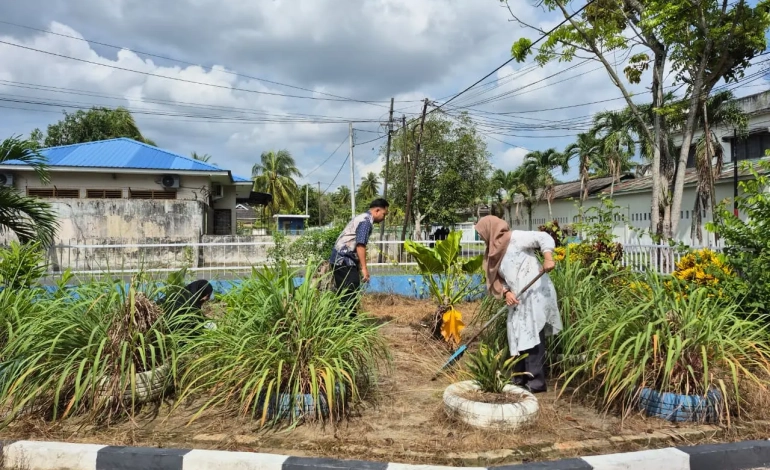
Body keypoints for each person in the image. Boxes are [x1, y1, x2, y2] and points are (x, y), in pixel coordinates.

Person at [474, 215, 562, 394]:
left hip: (535, 292)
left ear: (491, 230)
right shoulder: (492, 253)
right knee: (515, 332)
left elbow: (544, 237)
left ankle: (536, 382)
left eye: (482, 233)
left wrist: (548, 257)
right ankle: (519, 378)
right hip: (518, 296)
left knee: (532, 332)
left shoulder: (516, 238)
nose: (481, 237)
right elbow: (498, 279)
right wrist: (506, 293)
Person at [329, 198, 389, 316]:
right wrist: (364, 268)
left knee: (346, 293)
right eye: (384, 214)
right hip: (344, 260)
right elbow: (361, 244)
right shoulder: (366, 221)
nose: (384, 218)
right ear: (377, 210)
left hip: (340, 259)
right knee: (349, 293)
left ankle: (344, 323)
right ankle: (347, 324)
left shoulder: (362, 217)